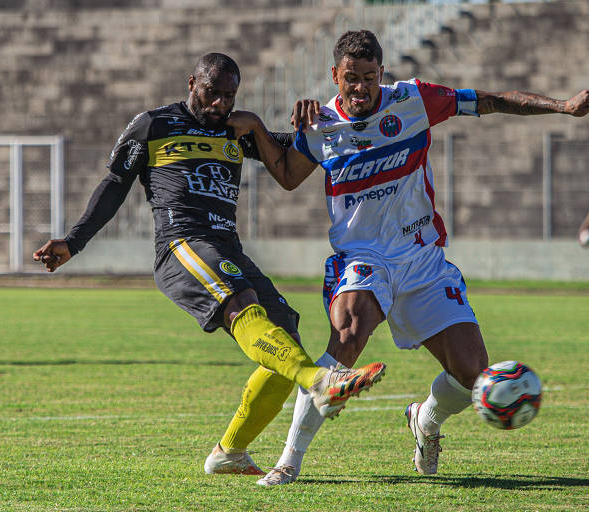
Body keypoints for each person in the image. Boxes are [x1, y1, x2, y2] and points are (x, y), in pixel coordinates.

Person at [251, 30, 589, 486]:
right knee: (350, 331)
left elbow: (491, 100)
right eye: (350, 79)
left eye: (369, 78)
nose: (360, 89)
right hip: (364, 257)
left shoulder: (415, 100)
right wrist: (260, 128)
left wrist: (561, 106)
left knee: (473, 374)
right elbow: (285, 176)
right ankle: (289, 462)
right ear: (334, 75)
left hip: (422, 259)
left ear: (383, 73)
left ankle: (426, 422)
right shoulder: (320, 127)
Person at [32, 53, 386, 477]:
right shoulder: (154, 124)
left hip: (227, 247)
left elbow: (293, 150)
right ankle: (319, 382)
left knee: (284, 334)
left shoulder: (236, 130)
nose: (220, 104)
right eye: (211, 92)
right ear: (191, 83)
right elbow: (114, 185)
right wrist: (73, 242)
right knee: (243, 302)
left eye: (229, 96)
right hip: (182, 243)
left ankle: (229, 453)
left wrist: (315, 121)